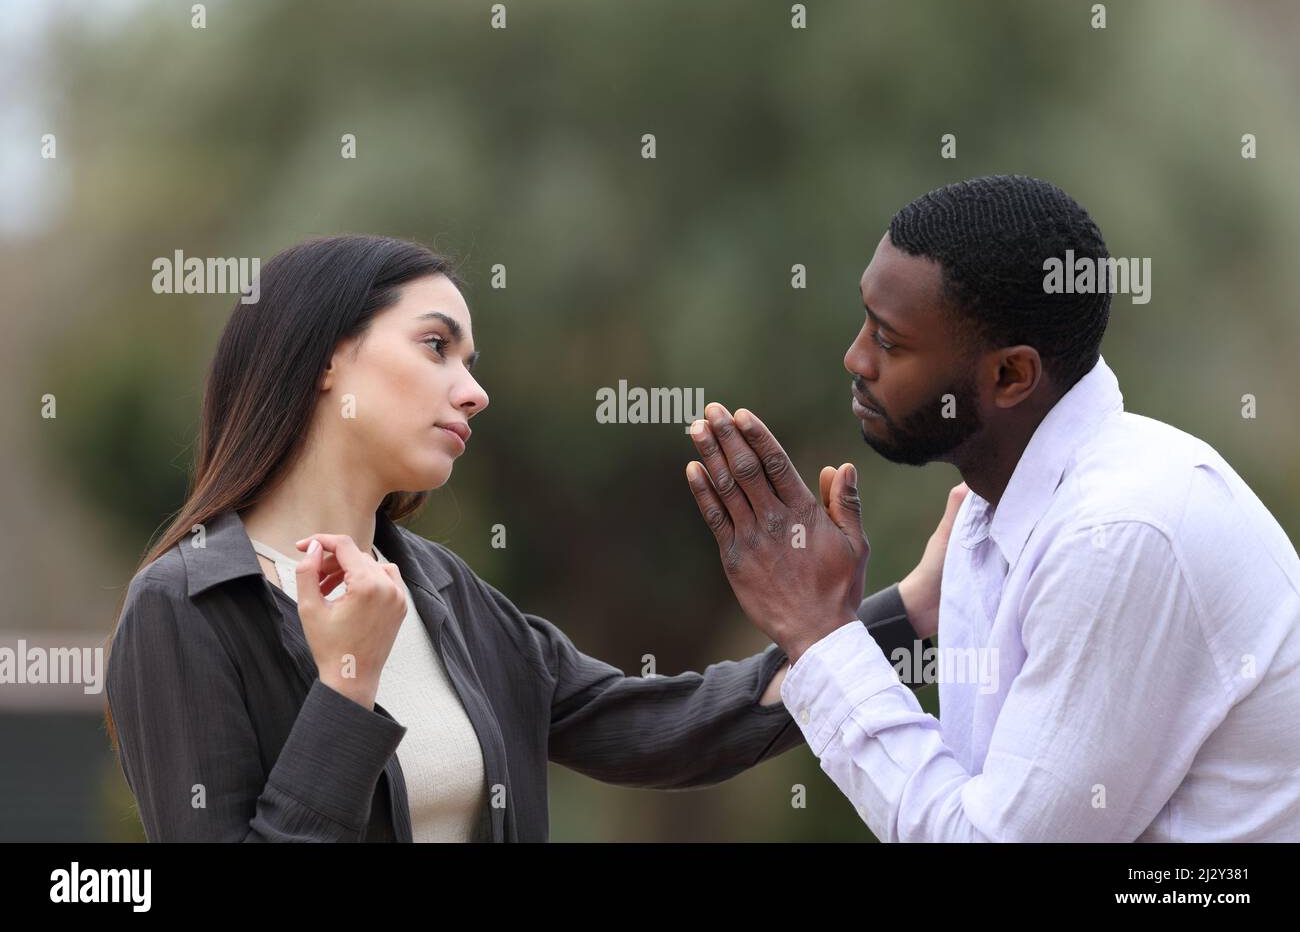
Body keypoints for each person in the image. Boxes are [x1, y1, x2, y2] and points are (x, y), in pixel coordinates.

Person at [104, 233, 955, 842]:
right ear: (327, 359)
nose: (472, 391)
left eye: (470, 361)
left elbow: (672, 724)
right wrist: (348, 683)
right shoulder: (186, 608)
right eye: (437, 346)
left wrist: (906, 608)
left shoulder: (444, 593)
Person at [684, 175, 1300, 841]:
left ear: (1011, 376)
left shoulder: (1119, 535)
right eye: (866, 319)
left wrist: (819, 633)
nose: (855, 357)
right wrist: (859, 620)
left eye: (890, 341)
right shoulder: (993, 515)